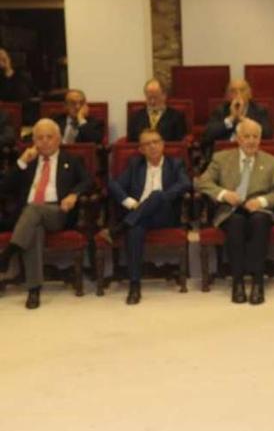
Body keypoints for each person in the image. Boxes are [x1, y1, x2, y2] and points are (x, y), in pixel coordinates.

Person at [0, 119, 93, 309]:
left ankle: (9, 253)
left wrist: (74, 195)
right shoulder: (28, 161)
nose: (44, 142)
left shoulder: (71, 160)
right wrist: (21, 162)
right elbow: (4, 187)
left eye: (49, 137)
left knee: (33, 209)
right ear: (33, 141)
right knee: (34, 228)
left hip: (58, 212)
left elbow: (88, 181)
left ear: (58, 139)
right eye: (39, 138)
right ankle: (34, 290)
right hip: (29, 217)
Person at [197, 118, 274, 305]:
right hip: (230, 209)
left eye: (255, 137)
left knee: (259, 221)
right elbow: (202, 182)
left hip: (259, 210)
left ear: (260, 139)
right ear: (238, 139)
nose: (251, 141)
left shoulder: (272, 162)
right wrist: (224, 194)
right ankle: (238, 281)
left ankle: (258, 282)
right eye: (247, 136)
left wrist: (261, 201)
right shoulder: (221, 158)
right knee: (236, 222)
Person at [107, 129, 191, 305]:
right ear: (141, 149)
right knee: (134, 230)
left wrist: (162, 198)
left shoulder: (175, 164)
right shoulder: (135, 164)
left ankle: (121, 227)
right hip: (140, 217)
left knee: (157, 195)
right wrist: (128, 202)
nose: (152, 146)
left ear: (163, 144)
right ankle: (134, 285)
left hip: (165, 216)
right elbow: (114, 185)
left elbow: (185, 183)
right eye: (147, 144)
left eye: (155, 142)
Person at [201, 79, 274, 149]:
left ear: (249, 94)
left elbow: (268, 135)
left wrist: (243, 120)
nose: (238, 94)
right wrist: (231, 118)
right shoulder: (220, 110)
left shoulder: (259, 110)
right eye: (233, 91)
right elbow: (208, 135)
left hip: (251, 151)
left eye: (242, 90)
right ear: (227, 95)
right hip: (226, 152)